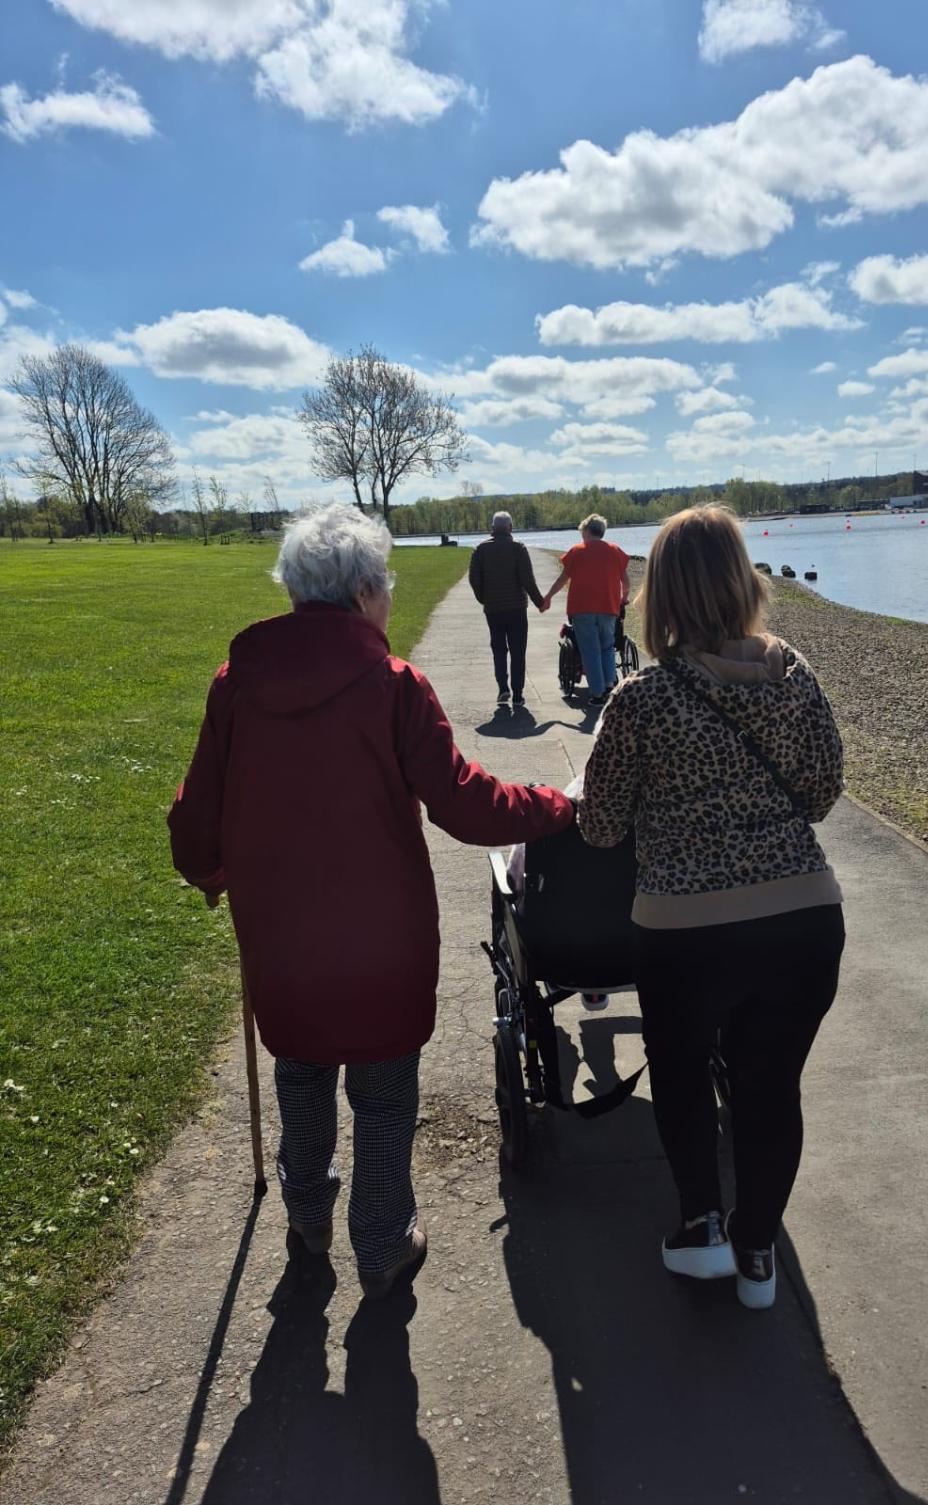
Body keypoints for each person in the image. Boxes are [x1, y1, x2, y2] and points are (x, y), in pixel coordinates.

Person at [168, 504, 573, 1298]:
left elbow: (194, 826)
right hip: (380, 939)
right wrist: (557, 808)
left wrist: (212, 871)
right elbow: (464, 804)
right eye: (383, 587)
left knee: (303, 1073)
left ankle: (307, 1210)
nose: (389, 599)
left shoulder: (237, 683)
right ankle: (382, 1239)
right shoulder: (391, 686)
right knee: (383, 1097)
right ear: (359, 594)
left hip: (282, 940)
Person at [577, 506, 844, 1310]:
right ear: (742, 581)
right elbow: (823, 792)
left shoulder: (641, 698)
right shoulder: (791, 673)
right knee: (772, 1088)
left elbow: (597, 826)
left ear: (661, 594)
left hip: (684, 931)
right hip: (802, 920)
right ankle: (757, 1249)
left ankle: (702, 1230)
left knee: (686, 1076)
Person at [540, 514, 630, 707]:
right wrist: (624, 598)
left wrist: (548, 597)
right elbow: (626, 581)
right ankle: (609, 686)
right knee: (607, 648)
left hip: (582, 610)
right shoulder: (615, 551)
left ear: (587, 531)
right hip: (609, 608)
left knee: (591, 651)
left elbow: (562, 579)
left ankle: (598, 694)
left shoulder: (577, 551)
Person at [468, 511, 544, 706]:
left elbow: (474, 579)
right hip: (517, 607)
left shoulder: (480, 550)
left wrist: (484, 598)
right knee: (518, 650)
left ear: (492, 528)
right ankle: (518, 694)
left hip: (493, 609)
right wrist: (540, 602)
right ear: (510, 528)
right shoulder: (518, 548)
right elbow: (527, 579)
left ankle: (503, 688)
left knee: (499, 649)